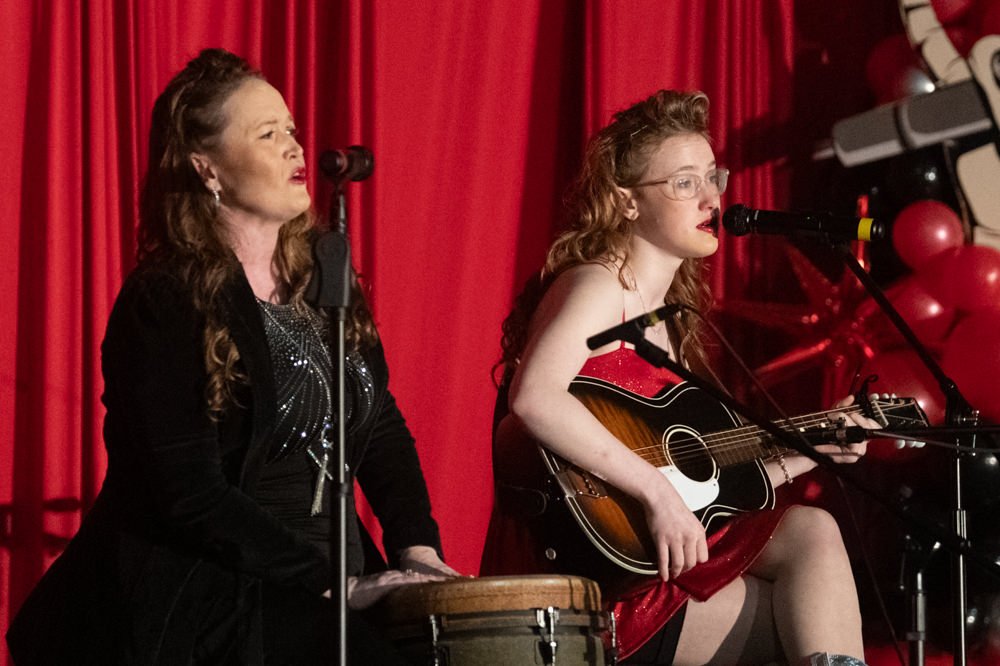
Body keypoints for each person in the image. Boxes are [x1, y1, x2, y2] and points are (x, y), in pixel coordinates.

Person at [6, 48, 457, 665]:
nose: (295, 148)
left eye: (292, 130)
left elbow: (378, 423)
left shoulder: (323, 269)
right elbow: (187, 493)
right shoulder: (166, 298)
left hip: (334, 584)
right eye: (268, 134)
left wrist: (417, 549)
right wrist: (335, 584)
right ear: (206, 168)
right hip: (225, 592)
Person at [480, 90, 879, 665]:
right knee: (801, 613)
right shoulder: (599, 284)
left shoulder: (670, 323)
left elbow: (714, 487)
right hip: (593, 588)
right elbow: (535, 398)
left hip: (651, 565)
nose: (712, 197)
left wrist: (817, 446)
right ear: (627, 203)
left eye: (713, 177)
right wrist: (657, 492)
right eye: (685, 183)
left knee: (810, 534)